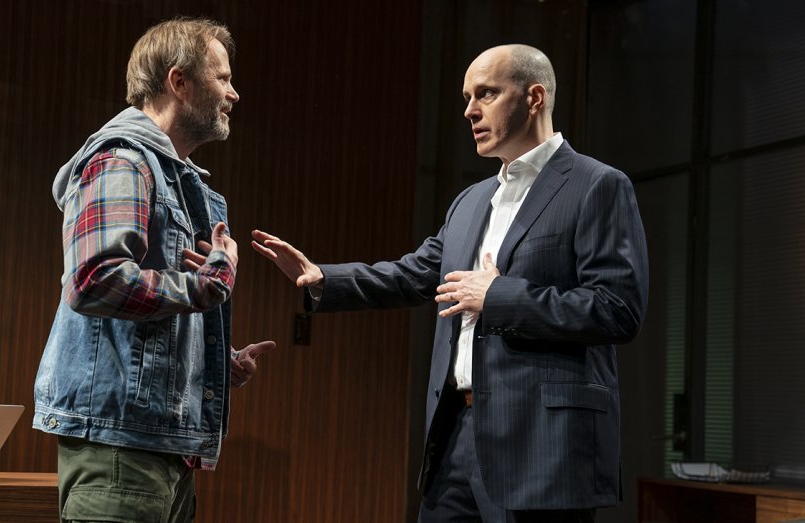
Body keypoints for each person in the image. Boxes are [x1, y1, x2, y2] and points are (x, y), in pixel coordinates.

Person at [252, 44, 648, 522]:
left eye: (486, 94)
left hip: (541, 446)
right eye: (466, 96)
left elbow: (617, 308)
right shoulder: (471, 200)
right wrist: (323, 278)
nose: (469, 110)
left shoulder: (597, 185)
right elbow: (416, 273)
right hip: (455, 438)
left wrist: (498, 296)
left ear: (535, 97)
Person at [33, 17, 275, 523]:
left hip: (161, 445)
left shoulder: (185, 185)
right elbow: (94, 280)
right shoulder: (123, 160)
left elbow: (160, 311)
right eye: (223, 78)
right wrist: (210, 285)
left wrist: (213, 358)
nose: (234, 94)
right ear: (178, 81)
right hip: (121, 444)